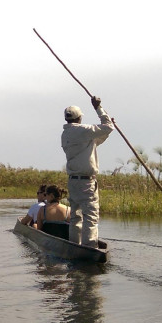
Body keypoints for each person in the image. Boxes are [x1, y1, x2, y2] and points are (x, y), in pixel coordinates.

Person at [61, 96, 114, 247]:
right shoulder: (83, 130)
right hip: (86, 182)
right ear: (79, 118)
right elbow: (108, 127)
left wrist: (106, 130)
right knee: (90, 217)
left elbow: (95, 141)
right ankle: (89, 248)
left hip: (73, 181)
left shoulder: (66, 134)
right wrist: (98, 108)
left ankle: (74, 246)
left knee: (75, 217)